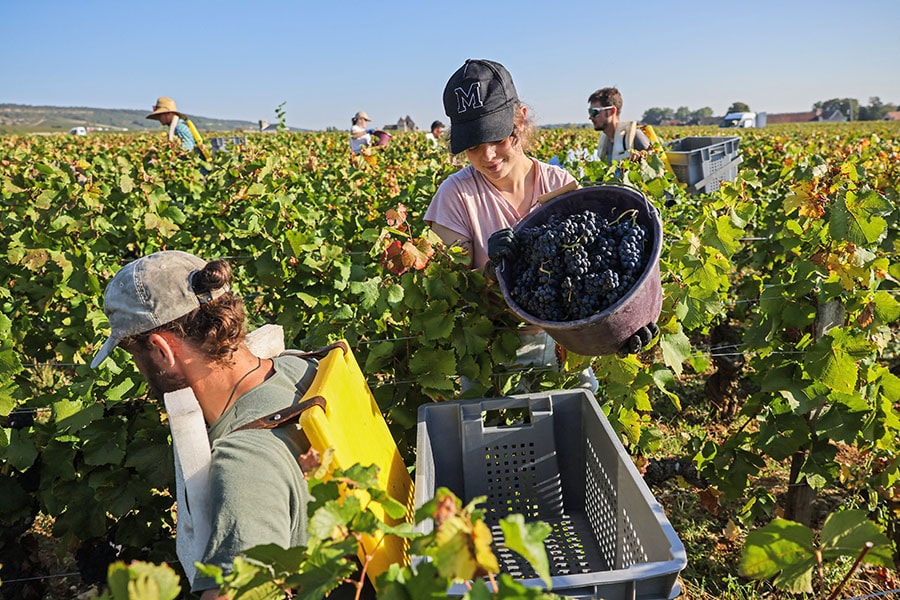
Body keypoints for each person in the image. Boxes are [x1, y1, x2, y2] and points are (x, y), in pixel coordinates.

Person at [89, 251, 332, 599]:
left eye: (133, 353)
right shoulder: (301, 368)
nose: (141, 372)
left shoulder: (245, 462)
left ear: (161, 350)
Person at [588, 87, 651, 164]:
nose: (590, 117)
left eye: (594, 112)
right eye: (589, 112)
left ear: (612, 111)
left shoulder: (635, 137)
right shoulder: (605, 142)